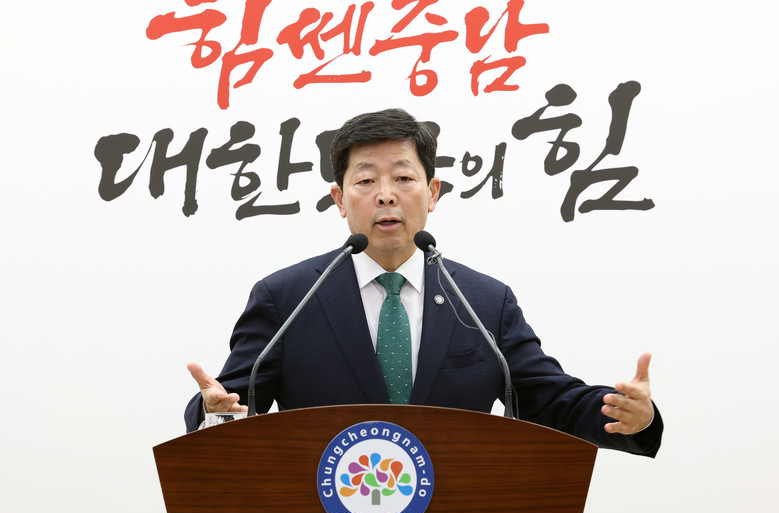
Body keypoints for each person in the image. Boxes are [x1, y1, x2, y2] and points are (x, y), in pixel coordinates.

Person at [185, 108, 662, 457]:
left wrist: (623, 413)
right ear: (339, 199)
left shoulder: (483, 301)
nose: (386, 195)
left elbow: (548, 399)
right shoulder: (286, 298)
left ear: (432, 193)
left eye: (403, 178)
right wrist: (214, 413)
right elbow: (230, 402)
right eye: (365, 181)